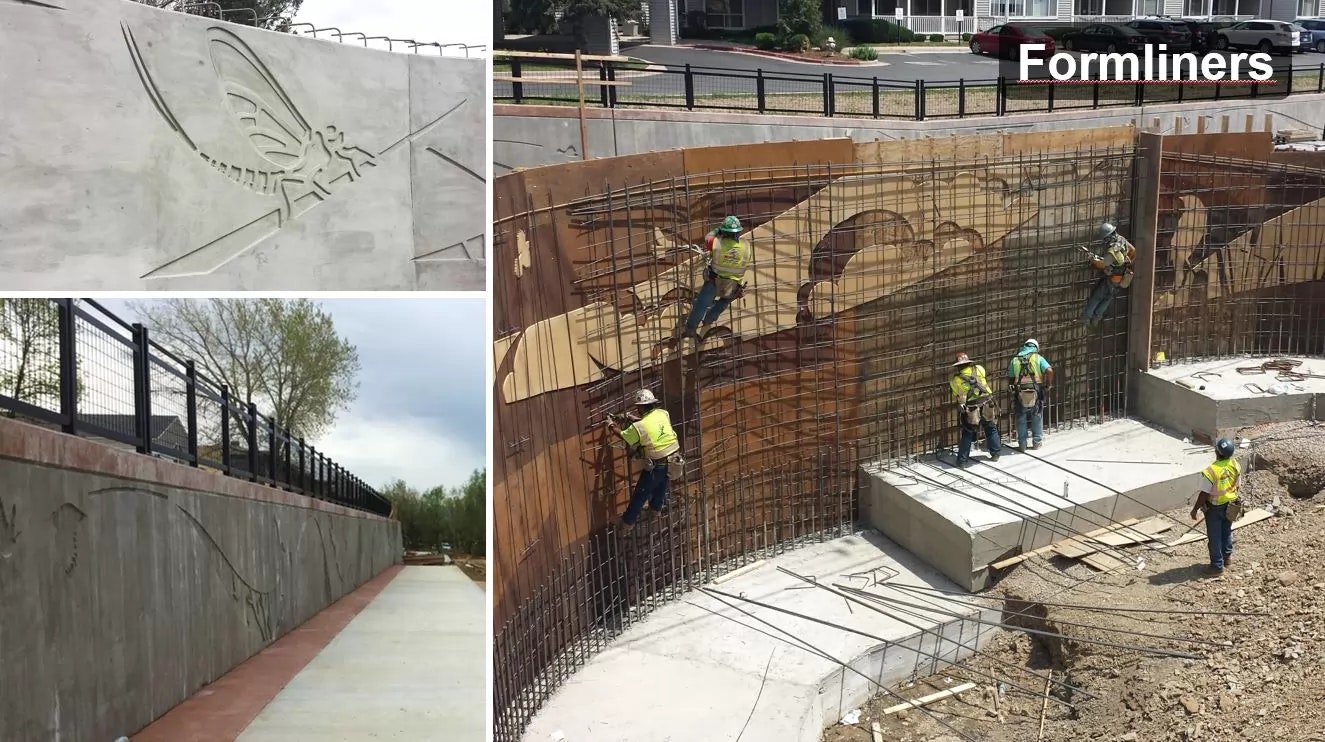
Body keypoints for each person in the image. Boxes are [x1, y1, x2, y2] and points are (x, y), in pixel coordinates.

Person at [607, 389, 683, 528]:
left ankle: (626, 522)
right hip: (674, 458)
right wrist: (631, 418)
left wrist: (612, 426)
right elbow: (650, 424)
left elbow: (625, 436)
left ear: (641, 406)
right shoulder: (663, 413)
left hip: (658, 464)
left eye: (638, 407)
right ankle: (655, 509)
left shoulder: (640, 426)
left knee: (641, 493)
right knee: (662, 484)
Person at [681, 215, 750, 341]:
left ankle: (690, 329)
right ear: (739, 232)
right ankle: (709, 319)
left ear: (724, 232)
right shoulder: (746, 246)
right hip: (733, 284)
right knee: (724, 302)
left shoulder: (716, 243)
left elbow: (707, 238)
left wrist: (718, 229)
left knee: (701, 305)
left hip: (714, 281)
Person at [1189, 437, 1242, 575]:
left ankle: (1217, 566)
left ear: (1217, 452)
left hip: (1215, 508)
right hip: (1231, 505)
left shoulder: (1212, 471)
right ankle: (1227, 558)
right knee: (1226, 532)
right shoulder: (1235, 464)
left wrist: (1195, 510)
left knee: (1214, 537)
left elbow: (1204, 494)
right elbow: (1237, 484)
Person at [949, 352, 1002, 466]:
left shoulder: (955, 380)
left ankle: (962, 461)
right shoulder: (979, 368)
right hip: (987, 402)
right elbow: (984, 377)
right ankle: (995, 454)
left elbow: (956, 394)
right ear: (969, 362)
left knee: (968, 433)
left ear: (958, 366)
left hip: (972, 407)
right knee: (990, 427)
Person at [1082, 222, 1136, 329]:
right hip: (1121, 278)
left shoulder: (1112, 250)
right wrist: (1127, 261)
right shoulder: (1121, 240)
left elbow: (1103, 264)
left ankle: (1086, 317)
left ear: (1107, 237)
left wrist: (1092, 260)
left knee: (1097, 297)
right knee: (1107, 299)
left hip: (1112, 278)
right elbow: (1133, 251)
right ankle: (1096, 319)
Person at [1007, 338, 1054, 452]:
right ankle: (1037, 442)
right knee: (1037, 415)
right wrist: (1048, 385)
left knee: (1020, 417)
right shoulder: (1038, 358)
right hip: (1036, 390)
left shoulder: (1015, 360)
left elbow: (1011, 377)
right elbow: (1049, 371)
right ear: (1036, 348)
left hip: (1020, 391)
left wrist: (1013, 388)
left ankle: (1022, 444)